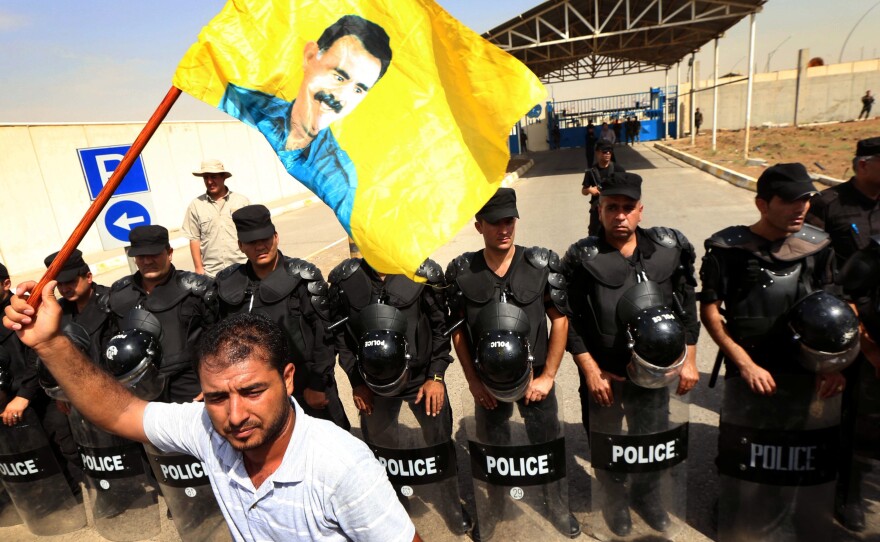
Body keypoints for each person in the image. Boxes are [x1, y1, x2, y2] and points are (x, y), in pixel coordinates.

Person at [3, 285, 420, 541]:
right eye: (217, 397)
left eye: (252, 391)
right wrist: (51, 344)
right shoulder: (206, 428)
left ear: (288, 379)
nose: (235, 415)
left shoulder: (342, 465)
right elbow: (120, 411)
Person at [701, 163, 847, 535]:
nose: (801, 207)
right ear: (762, 204)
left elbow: (834, 310)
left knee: (798, 445)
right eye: (791, 200)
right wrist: (744, 363)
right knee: (743, 449)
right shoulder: (728, 249)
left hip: (803, 368)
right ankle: (735, 504)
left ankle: (794, 508)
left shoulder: (818, 246)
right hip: (748, 367)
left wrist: (833, 366)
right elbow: (711, 311)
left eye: (806, 199)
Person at [563, 172, 699, 536]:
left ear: (641, 210)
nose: (619, 215)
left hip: (656, 371)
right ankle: (613, 498)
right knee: (605, 443)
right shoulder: (583, 258)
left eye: (627, 208)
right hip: (605, 372)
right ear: (600, 210)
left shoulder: (667, 250)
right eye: (611, 208)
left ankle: (647, 496)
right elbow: (567, 319)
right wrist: (589, 368)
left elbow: (686, 308)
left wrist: (691, 360)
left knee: (649, 438)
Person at [446, 188, 580, 540]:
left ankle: (554, 503)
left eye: (509, 221)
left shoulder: (540, 264)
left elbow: (560, 320)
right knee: (494, 448)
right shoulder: (462, 271)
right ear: (479, 226)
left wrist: (549, 376)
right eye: (494, 223)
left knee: (545, 445)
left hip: (534, 381)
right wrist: (473, 382)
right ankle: (496, 506)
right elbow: (457, 329)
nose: (503, 229)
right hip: (488, 384)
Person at [328, 256, 471, 535]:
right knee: (381, 449)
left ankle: (451, 502)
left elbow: (441, 330)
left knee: (439, 442)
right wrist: (357, 383)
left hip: (421, 380)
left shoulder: (423, 274)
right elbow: (341, 339)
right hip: (372, 385)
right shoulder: (346, 280)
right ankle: (396, 501)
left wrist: (436, 377)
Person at [219, 15, 392, 231]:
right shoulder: (245, 102)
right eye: (339, 77)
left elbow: (366, 233)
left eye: (358, 90)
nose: (340, 97)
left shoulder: (340, 179)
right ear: (310, 57)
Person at [214, 204, 349, 430]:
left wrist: (318, 384)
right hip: (256, 391)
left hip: (306, 385)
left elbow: (325, 336)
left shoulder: (302, 277)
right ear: (240, 246)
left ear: (276, 237)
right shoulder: (228, 283)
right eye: (251, 242)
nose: (260, 246)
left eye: (265, 239)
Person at [806, 137, 880, 531]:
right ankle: (847, 494)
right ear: (862, 164)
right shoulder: (829, 204)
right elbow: (816, 271)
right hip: (850, 324)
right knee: (856, 419)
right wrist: (861, 338)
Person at [108, 225, 217, 402]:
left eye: (154, 254)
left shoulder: (197, 290)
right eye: (141, 256)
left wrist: (215, 383)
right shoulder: (120, 294)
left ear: (169, 252)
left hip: (192, 386)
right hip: (140, 392)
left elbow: (221, 339)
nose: (147, 261)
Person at [182, 159, 251, 278]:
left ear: (223, 177)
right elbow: (194, 239)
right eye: (206, 177)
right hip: (212, 273)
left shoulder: (241, 202)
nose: (209, 181)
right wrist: (198, 268)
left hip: (242, 268)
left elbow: (251, 233)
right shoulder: (196, 205)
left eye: (213, 177)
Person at [582, 140, 626, 236]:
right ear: (597, 153)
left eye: (610, 151)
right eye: (604, 151)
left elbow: (626, 188)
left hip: (615, 209)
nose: (607, 154)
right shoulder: (591, 171)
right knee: (594, 235)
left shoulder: (618, 169)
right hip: (597, 209)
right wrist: (590, 190)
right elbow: (584, 190)